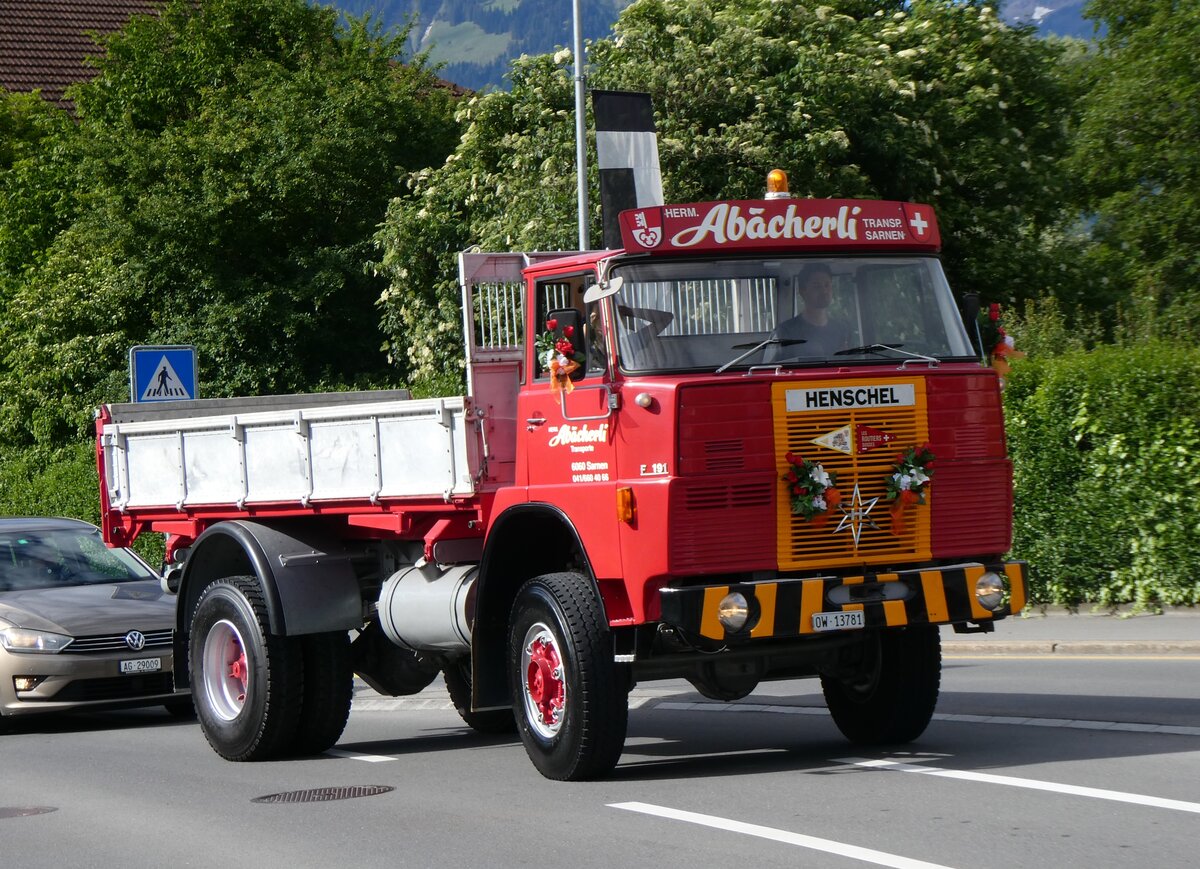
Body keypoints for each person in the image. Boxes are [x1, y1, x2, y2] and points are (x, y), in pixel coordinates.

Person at [769, 263, 852, 359]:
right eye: (816, 286)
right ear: (802, 291)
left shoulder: (842, 330)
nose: (824, 291)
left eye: (827, 285)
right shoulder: (784, 332)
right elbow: (771, 371)